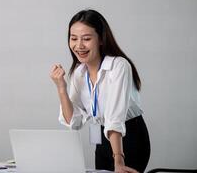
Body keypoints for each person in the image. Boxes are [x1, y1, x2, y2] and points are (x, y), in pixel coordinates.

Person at [50, 9, 150, 173]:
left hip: (128, 138)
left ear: (101, 39)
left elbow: (115, 116)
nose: (79, 45)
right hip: (102, 139)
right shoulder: (79, 73)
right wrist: (61, 87)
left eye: (87, 39)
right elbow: (72, 121)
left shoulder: (119, 66)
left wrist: (118, 159)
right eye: (73, 38)